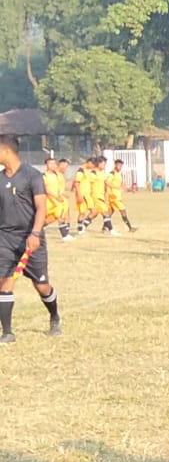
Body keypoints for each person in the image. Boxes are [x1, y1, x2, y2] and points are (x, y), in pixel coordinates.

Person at [0, 136, 63, 341]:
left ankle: (54, 316)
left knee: (41, 285)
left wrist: (35, 233)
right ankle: (7, 332)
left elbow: (41, 208)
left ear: (6, 151)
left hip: (30, 237)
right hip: (5, 238)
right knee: (4, 282)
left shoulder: (32, 176)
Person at [105, 159, 135, 232]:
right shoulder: (112, 173)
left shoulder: (118, 174)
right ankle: (130, 227)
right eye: (119, 165)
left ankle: (104, 228)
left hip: (116, 195)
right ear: (115, 165)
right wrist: (116, 187)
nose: (120, 167)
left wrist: (129, 189)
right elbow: (107, 182)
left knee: (110, 212)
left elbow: (121, 185)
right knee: (123, 210)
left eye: (121, 166)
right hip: (114, 196)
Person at [42, 158, 69, 240]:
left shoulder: (57, 175)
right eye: (51, 164)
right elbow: (45, 189)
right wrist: (55, 196)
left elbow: (59, 187)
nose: (53, 165)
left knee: (56, 216)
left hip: (57, 199)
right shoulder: (44, 176)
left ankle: (39, 226)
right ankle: (65, 235)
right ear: (46, 165)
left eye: (54, 163)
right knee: (58, 216)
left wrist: (62, 194)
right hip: (49, 200)